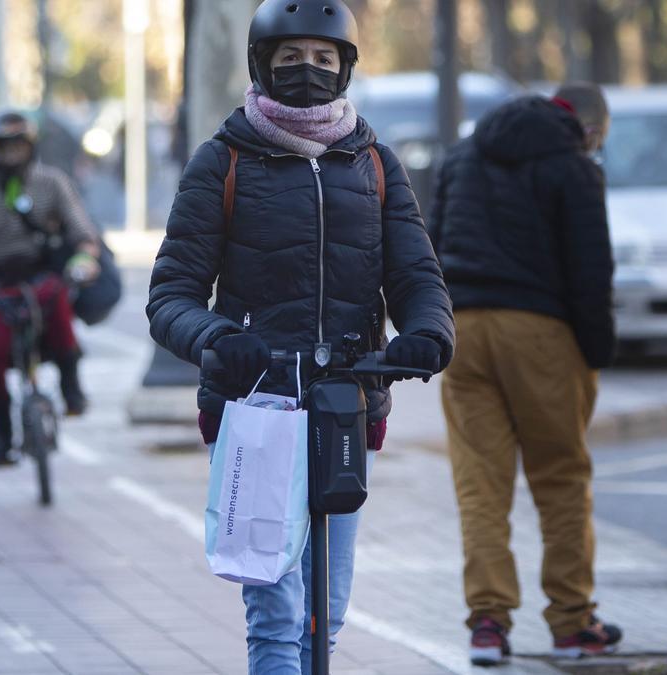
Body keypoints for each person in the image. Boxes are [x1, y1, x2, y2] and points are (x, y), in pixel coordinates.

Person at [147, 1, 455, 672]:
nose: (307, 72)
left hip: (347, 404)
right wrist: (217, 338)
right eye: (290, 59)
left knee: (327, 613)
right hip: (256, 409)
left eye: (323, 59)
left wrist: (429, 331)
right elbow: (171, 295)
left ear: (346, 68)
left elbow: (416, 275)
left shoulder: (375, 164)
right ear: (261, 66)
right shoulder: (222, 161)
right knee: (278, 617)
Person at [428, 83, 622, 665]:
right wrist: (596, 351)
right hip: (541, 333)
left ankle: (487, 623)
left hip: (463, 329)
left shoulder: (463, 156)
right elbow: (592, 270)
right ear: (589, 130)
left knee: (479, 484)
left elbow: (429, 245)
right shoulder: (574, 167)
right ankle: (570, 623)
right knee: (561, 477)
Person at [0, 111, 101, 467]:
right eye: (3, 146)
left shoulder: (53, 183)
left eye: (18, 145)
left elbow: (83, 235)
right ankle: (0, 432)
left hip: (42, 276)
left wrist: (83, 261)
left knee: (57, 303)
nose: (11, 153)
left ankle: (71, 386)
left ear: (30, 146)